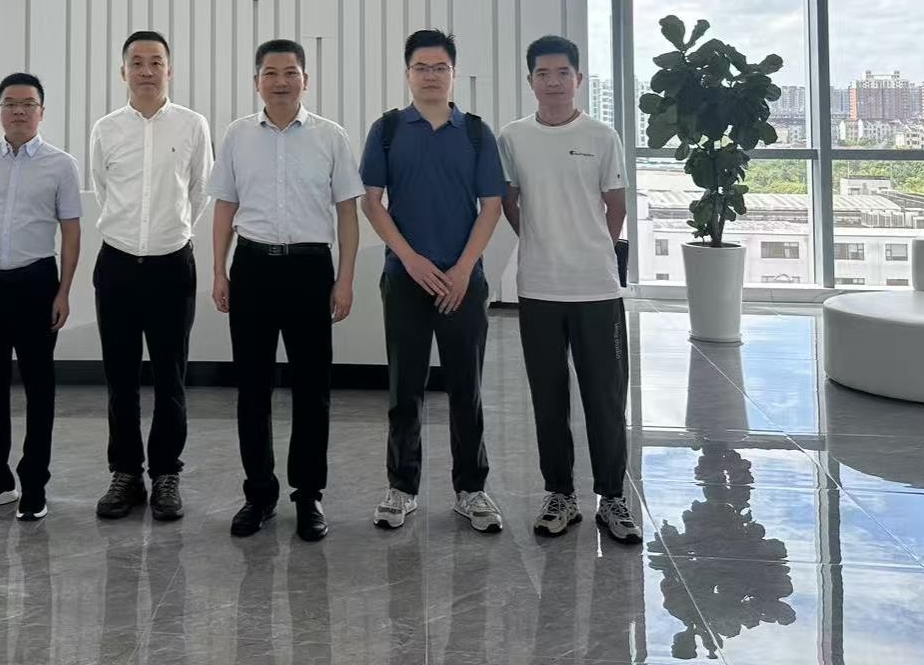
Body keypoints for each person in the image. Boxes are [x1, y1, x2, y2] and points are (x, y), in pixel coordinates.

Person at [209, 39, 362, 542]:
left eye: (290, 72)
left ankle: (308, 494)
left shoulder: (330, 137)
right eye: (270, 73)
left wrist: (345, 279)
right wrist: (219, 271)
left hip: (310, 269)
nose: (281, 81)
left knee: (312, 389)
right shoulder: (237, 135)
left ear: (305, 80)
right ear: (256, 81)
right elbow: (225, 207)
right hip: (252, 267)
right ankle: (259, 494)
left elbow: (347, 212)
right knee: (252, 389)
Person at [360, 28, 508, 534]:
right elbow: (372, 203)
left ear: (453, 73)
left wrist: (463, 268)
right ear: (407, 74)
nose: (430, 76)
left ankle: (472, 490)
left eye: (439, 67)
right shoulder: (387, 130)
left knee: (466, 389)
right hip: (406, 278)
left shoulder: (476, 133)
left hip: (463, 280)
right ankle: (401, 488)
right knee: (405, 389)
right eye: (421, 67)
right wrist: (411, 260)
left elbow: (491, 206)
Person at [498, 34, 640, 545]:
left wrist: (591, 247)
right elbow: (510, 202)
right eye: (543, 74)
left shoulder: (602, 135)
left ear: (578, 79)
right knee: (548, 396)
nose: (553, 82)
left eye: (562, 73)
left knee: (605, 398)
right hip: (539, 287)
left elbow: (616, 205)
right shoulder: (513, 137)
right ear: (530, 80)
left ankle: (613, 497)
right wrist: (541, 241)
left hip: (596, 288)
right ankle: (559, 494)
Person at [88, 30, 213, 522]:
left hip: (171, 266)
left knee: (170, 378)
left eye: (155, 61)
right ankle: (125, 474)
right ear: (123, 71)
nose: (146, 70)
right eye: (136, 62)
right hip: (117, 264)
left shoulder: (192, 125)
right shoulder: (105, 129)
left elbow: (199, 191)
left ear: (169, 69)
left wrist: (169, 233)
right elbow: (103, 190)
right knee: (120, 379)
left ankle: (165, 475)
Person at [0, 72, 83, 522]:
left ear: (41, 112)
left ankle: (34, 484)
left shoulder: (61, 165)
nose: (19, 111)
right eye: (10, 103)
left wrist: (64, 292)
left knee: (39, 388)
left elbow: (71, 233)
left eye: (28, 104)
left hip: (36, 286)